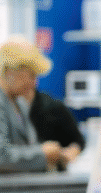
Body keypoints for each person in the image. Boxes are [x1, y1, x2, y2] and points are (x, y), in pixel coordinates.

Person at [1, 37, 79, 172]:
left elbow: (28, 146)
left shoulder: (19, 103)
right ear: (10, 71)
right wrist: (43, 153)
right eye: (31, 75)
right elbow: (2, 156)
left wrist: (53, 154)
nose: (33, 83)